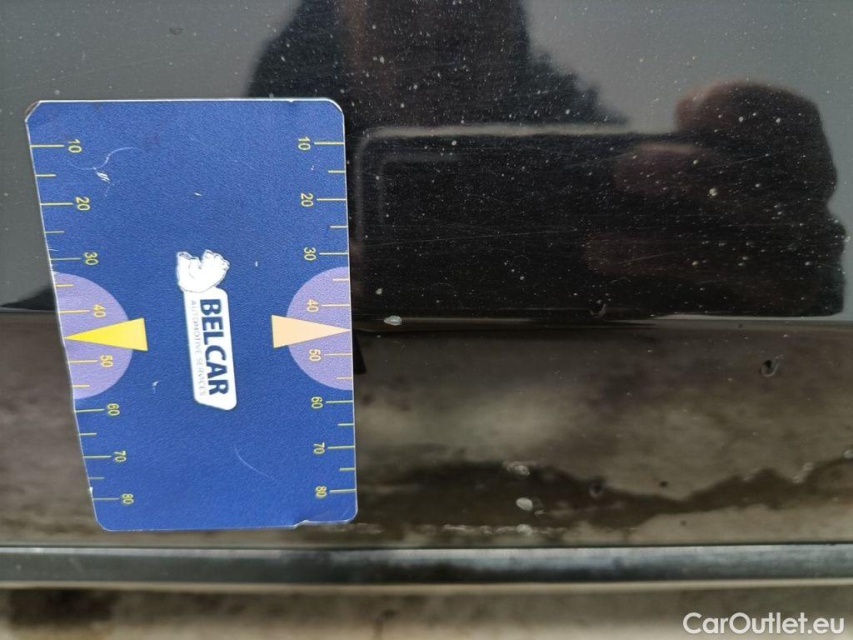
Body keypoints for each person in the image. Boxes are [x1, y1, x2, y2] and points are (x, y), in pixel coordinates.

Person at [249, 0, 845, 318]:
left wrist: (783, 271)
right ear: (339, 15)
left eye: (469, 2)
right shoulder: (250, 160)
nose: (438, 25)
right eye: (399, 5)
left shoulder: (605, 166)